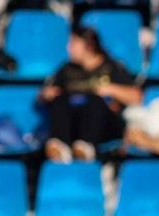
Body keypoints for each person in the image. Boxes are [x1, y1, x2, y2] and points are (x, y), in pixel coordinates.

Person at [41, 26, 141, 163]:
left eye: (73, 43)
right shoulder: (67, 69)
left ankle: (86, 146)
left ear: (89, 45)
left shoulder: (111, 67)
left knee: (94, 101)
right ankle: (60, 145)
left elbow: (136, 96)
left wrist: (111, 89)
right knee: (60, 101)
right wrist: (46, 95)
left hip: (104, 126)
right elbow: (46, 94)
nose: (68, 48)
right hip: (73, 123)